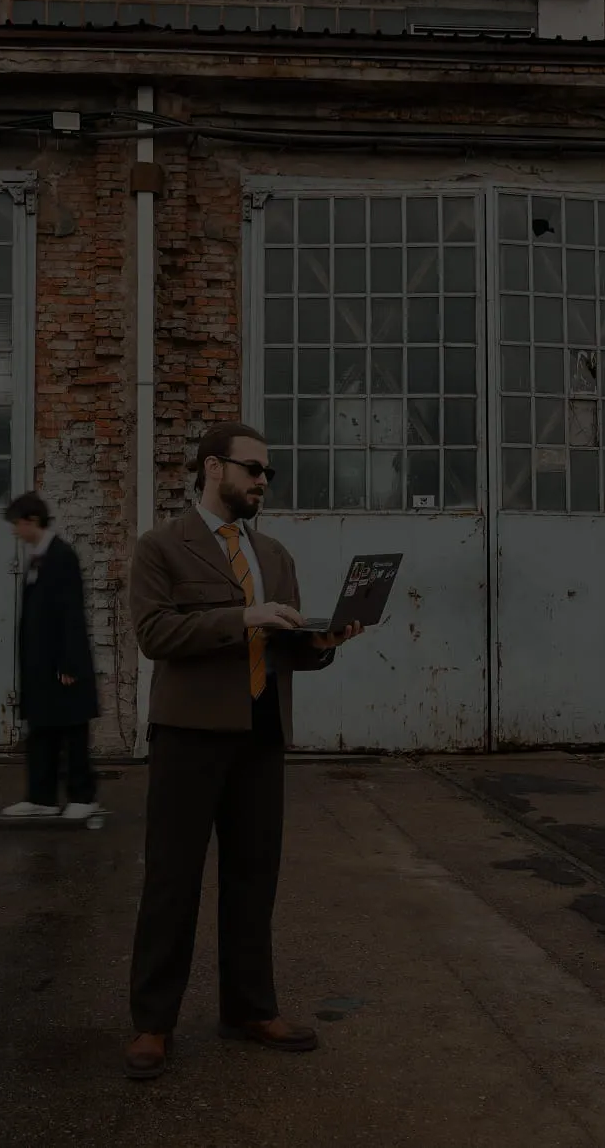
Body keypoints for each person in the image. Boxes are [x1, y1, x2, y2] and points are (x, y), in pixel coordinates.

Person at [125, 422, 363, 1080]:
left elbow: (285, 651)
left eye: (267, 472)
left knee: (254, 880)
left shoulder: (275, 556)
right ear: (212, 469)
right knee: (172, 883)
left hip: (262, 735)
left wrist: (322, 644)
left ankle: (250, 1008)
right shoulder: (161, 548)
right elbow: (154, 634)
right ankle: (153, 1024)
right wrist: (243, 617)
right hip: (189, 737)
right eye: (253, 469)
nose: (263, 481)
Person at [2, 492, 99, 820]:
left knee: (72, 731)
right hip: (42, 669)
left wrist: (69, 663)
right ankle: (41, 798)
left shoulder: (61, 556)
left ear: (32, 521)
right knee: (42, 731)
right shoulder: (38, 557)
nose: (15, 531)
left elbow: (71, 612)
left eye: (18, 524)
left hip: (63, 667)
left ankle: (83, 797)